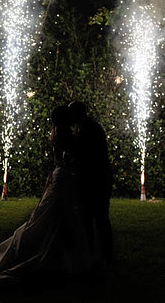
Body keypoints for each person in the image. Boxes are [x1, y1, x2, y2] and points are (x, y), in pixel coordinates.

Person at [0, 106, 92, 286]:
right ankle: (62, 257)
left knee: (53, 215)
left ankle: (58, 254)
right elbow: (70, 160)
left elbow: (60, 160)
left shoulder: (58, 135)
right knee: (58, 215)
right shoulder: (70, 137)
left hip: (60, 177)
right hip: (65, 178)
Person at [68, 101, 114, 265]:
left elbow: (89, 155)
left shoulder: (89, 129)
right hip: (95, 179)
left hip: (96, 180)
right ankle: (96, 254)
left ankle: (104, 256)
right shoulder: (84, 127)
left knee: (98, 218)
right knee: (91, 218)